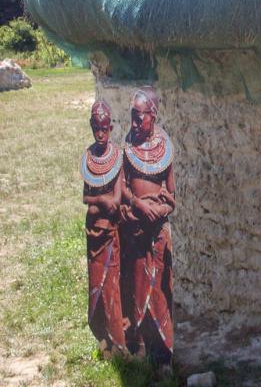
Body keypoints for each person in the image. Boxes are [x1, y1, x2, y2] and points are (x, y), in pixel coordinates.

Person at [119, 86, 176, 367]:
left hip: (158, 233)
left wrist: (159, 210)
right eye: (132, 116)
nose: (134, 123)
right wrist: (139, 205)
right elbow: (122, 187)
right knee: (137, 289)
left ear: (152, 116)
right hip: (135, 232)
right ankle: (138, 349)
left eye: (139, 117)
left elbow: (172, 196)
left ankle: (163, 354)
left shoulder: (165, 149)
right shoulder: (128, 147)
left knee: (160, 293)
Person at [81, 100, 127, 358]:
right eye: (96, 128)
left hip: (110, 231)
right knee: (96, 283)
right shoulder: (89, 158)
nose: (100, 134)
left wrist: (100, 204)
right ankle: (103, 336)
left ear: (110, 128)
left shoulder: (116, 156)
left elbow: (117, 198)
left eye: (104, 129)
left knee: (111, 284)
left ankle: (117, 339)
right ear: (91, 126)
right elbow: (86, 197)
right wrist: (100, 200)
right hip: (94, 233)